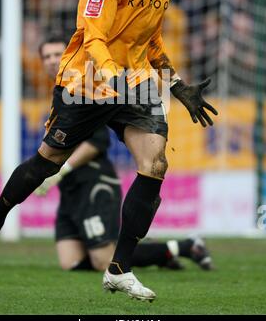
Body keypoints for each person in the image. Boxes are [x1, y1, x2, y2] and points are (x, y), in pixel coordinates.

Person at [0, 0, 218, 302]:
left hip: (132, 83)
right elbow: (93, 33)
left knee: (155, 163)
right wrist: (109, 74)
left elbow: (150, 39)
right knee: (46, 162)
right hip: (86, 81)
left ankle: (120, 269)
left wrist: (174, 82)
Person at [36, 35, 213, 272]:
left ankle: (181, 247)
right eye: (46, 56)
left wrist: (59, 171)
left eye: (57, 54)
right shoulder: (62, 89)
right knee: (71, 263)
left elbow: (97, 143)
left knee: (104, 259)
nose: (52, 61)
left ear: (71, 54)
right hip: (70, 189)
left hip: (94, 183)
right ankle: (149, 252)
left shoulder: (86, 88)